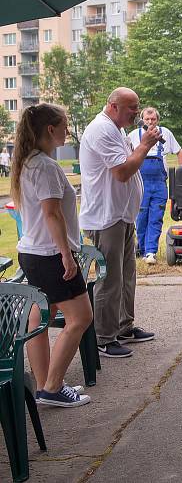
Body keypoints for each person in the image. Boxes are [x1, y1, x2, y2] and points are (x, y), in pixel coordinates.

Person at [12, 103, 92, 407]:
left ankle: (45, 384)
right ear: (50, 129)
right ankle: (52, 388)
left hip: (32, 252)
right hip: (49, 255)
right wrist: (67, 256)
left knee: (40, 317)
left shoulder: (30, 162)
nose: (67, 131)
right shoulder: (45, 166)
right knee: (81, 317)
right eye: (64, 125)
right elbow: (51, 214)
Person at [79, 88, 159, 359]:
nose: (136, 113)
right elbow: (123, 172)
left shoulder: (116, 129)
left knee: (126, 275)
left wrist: (141, 145)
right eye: (131, 108)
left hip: (121, 215)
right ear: (113, 106)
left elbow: (127, 162)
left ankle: (123, 326)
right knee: (110, 279)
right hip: (105, 217)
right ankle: (104, 337)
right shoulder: (101, 130)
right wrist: (145, 145)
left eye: (137, 107)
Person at [128, 107, 182, 264]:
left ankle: (150, 252)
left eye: (153, 119)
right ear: (142, 120)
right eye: (147, 119)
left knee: (156, 217)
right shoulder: (133, 136)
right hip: (140, 183)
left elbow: (180, 153)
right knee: (141, 218)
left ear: (157, 120)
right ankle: (141, 248)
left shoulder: (165, 133)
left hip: (159, 184)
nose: (150, 122)